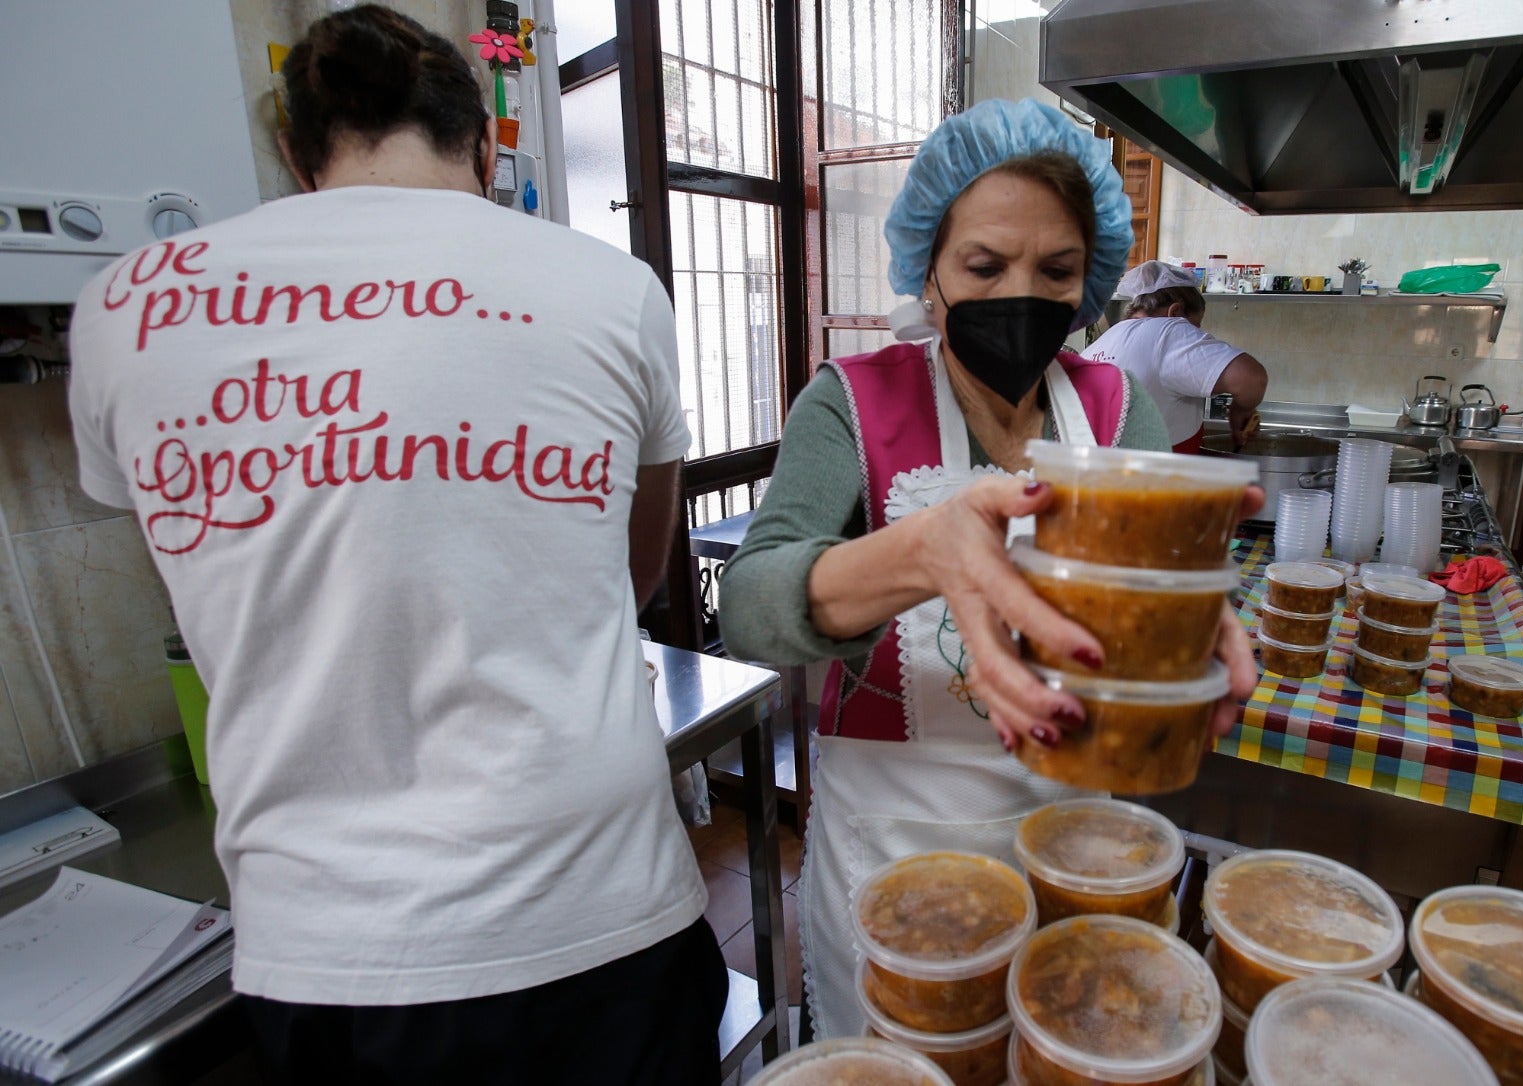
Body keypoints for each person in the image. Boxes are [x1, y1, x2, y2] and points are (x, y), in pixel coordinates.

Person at [67, 7, 724, 1083]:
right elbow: (634, 573)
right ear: (485, 146)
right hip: (599, 915)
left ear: (292, 152)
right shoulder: (613, 288)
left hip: (327, 953)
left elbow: (205, 583)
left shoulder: (120, 308)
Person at [717, 99, 1260, 1039]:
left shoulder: (1114, 404)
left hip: (1076, 845)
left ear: (1089, 283)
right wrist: (915, 551)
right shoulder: (852, 401)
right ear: (928, 270)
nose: (1022, 292)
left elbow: (1160, 587)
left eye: (1056, 271)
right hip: (897, 857)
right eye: (984, 266)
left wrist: (1188, 628)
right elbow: (752, 607)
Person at [1085, 260, 1268, 451]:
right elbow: (1252, 379)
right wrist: (1242, 410)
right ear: (1176, 311)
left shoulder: (1100, 344)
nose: (1194, 332)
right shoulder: (1169, 329)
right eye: (1195, 325)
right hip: (1149, 477)